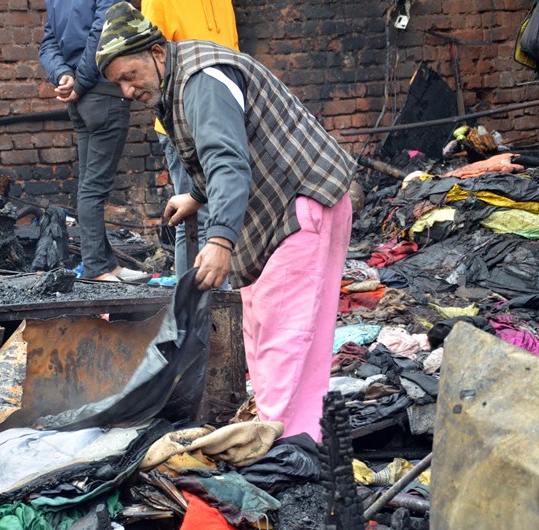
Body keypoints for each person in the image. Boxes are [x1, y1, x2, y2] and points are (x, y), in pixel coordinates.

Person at [95, 2, 354, 441]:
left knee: (283, 339)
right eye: (118, 83)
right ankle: (299, 441)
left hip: (296, 207)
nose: (126, 91)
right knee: (272, 334)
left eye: (128, 76)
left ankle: (277, 450)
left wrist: (219, 241)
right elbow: (230, 143)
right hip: (293, 204)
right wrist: (196, 197)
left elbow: (228, 163)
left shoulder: (200, 80)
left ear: (157, 53)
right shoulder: (180, 76)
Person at [39, 0, 147, 282]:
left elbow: (48, 43)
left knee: (89, 184)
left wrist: (63, 75)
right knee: (94, 187)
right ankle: (97, 267)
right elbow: (102, 34)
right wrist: (80, 82)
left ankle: (106, 264)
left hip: (80, 97)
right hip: (101, 92)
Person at [140, 0, 238, 281]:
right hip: (183, 124)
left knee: (225, 211)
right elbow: (150, 63)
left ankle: (222, 306)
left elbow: (231, 56)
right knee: (195, 218)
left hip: (223, 121)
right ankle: (193, 311)